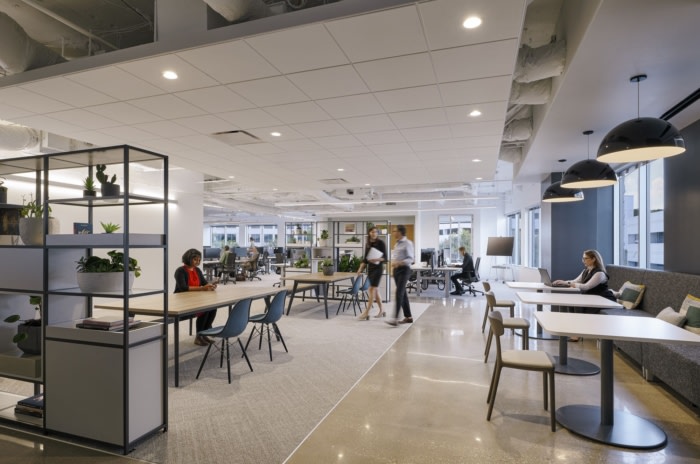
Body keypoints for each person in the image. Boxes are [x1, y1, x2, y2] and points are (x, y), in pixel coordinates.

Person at [553, 249, 615, 341]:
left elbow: (586, 286)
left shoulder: (600, 273)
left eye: (586, 258)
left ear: (593, 259)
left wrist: (570, 284)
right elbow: (575, 281)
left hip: (603, 299)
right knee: (572, 304)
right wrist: (563, 282)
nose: (583, 261)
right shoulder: (586, 271)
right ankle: (574, 332)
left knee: (578, 305)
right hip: (591, 298)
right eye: (583, 258)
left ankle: (577, 333)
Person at [174, 248, 218, 346]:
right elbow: (183, 288)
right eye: (195, 259)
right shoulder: (180, 271)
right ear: (188, 258)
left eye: (199, 260)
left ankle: (204, 333)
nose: (198, 262)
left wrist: (211, 285)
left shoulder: (197, 270)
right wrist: (202, 288)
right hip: (182, 300)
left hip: (195, 298)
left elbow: (204, 283)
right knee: (204, 309)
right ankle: (199, 337)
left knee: (213, 307)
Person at [356, 226, 387, 320]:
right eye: (372, 232)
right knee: (375, 291)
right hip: (370, 269)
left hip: (378, 269)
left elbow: (385, 258)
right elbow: (365, 260)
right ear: (369, 233)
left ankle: (367, 312)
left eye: (376, 232)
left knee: (371, 290)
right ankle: (382, 310)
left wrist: (376, 259)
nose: (374, 233)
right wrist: (360, 269)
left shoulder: (381, 243)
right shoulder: (368, 244)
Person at [386, 225, 414, 326]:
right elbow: (395, 256)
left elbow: (411, 259)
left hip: (404, 270)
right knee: (403, 293)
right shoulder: (396, 244)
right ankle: (408, 317)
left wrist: (399, 262)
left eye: (395, 231)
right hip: (396, 271)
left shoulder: (408, 243)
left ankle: (395, 318)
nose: (393, 233)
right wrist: (394, 262)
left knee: (399, 293)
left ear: (400, 232)